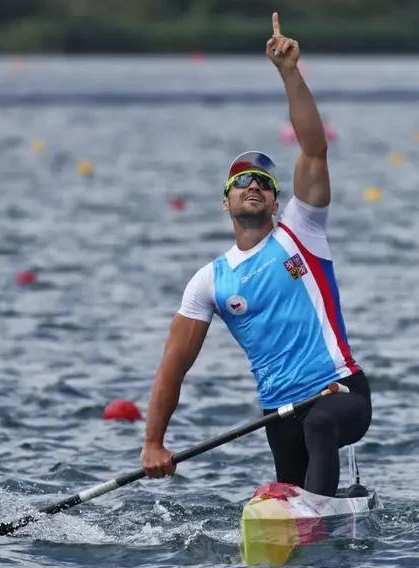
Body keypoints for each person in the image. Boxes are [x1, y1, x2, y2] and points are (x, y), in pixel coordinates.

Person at [139, 12, 372, 499]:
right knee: (289, 483)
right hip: (279, 414)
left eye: (264, 182)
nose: (253, 186)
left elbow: (313, 148)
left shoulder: (301, 231)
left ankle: (314, 516)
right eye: (240, 181)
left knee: (321, 427)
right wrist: (154, 443)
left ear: (274, 199)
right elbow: (172, 367)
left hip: (339, 392)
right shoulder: (210, 282)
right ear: (225, 202)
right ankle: (309, 515)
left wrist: (289, 72)